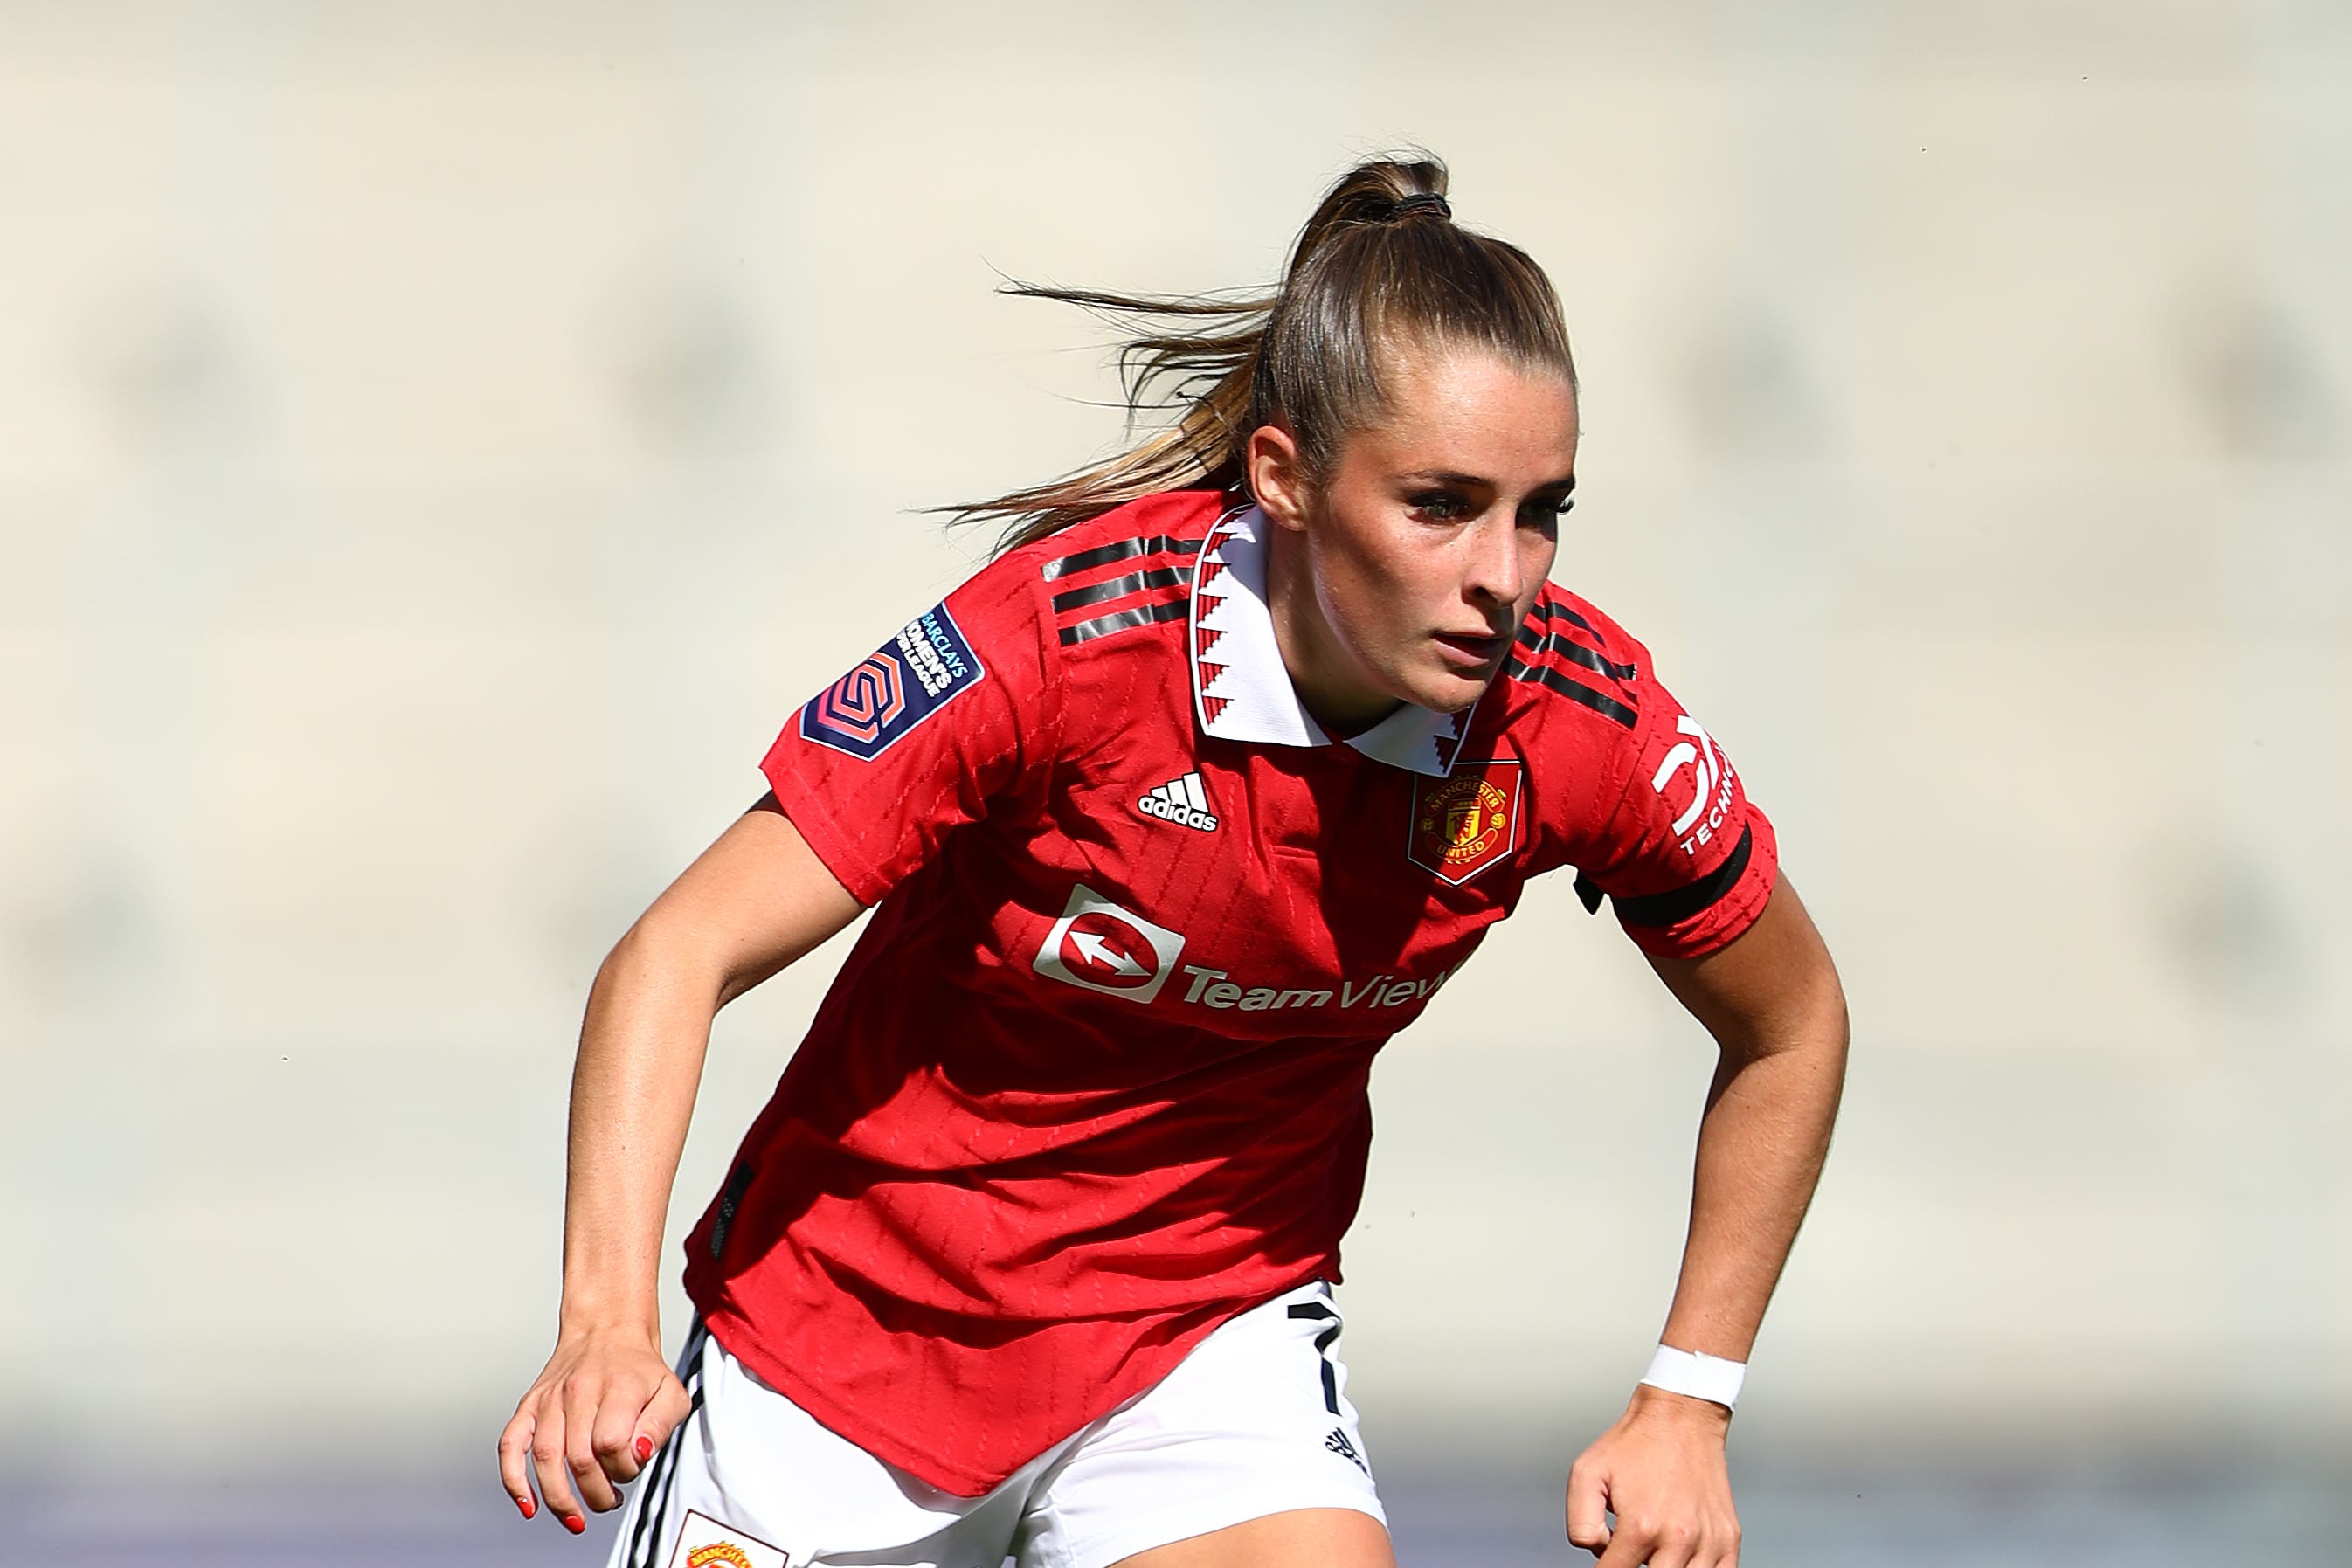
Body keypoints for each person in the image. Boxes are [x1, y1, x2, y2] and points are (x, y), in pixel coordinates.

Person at [498, 153, 1848, 1568]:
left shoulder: (1580, 722)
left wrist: (1689, 1398)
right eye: (1441, 504)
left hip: (1206, 1335)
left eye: (1542, 509)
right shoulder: (1064, 643)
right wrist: (604, 1321)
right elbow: (673, 951)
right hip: (852, 1332)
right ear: (1285, 479)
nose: (1503, 575)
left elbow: (1793, 1022)